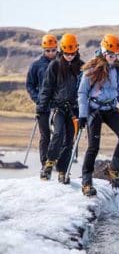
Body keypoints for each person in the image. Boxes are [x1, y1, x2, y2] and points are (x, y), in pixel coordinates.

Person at [78, 34, 119, 197]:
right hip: (94, 110)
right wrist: (82, 115)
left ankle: (113, 169)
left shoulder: (117, 69)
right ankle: (87, 181)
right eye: (110, 54)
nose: (112, 57)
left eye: (115, 55)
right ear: (103, 51)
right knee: (94, 147)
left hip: (110, 109)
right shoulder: (92, 68)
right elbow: (82, 93)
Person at [37, 33, 83, 184]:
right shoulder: (55, 65)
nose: (70, 56)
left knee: (69, 141)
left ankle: (63, 170)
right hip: (58, 107)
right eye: (67, 53)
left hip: (74, 110)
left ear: (76, 50)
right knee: (57, 134)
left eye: (72, 53)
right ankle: (49, 164)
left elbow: (85, 91)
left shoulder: (81, 67)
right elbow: (46, 88)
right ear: (62, 51)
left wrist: (84, 111)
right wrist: (41, 107)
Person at [26, 34, 58, 177]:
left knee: (60, 136)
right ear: (43, 50)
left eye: (53, 50)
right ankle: (44, 165)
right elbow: (30, 85)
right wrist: (37, 99)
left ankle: (57, 164)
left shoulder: (62, 63)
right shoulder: (36, 65)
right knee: (45, 137)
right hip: (43, 106)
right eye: (48, 50)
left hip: (59, 106)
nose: (51, 53)